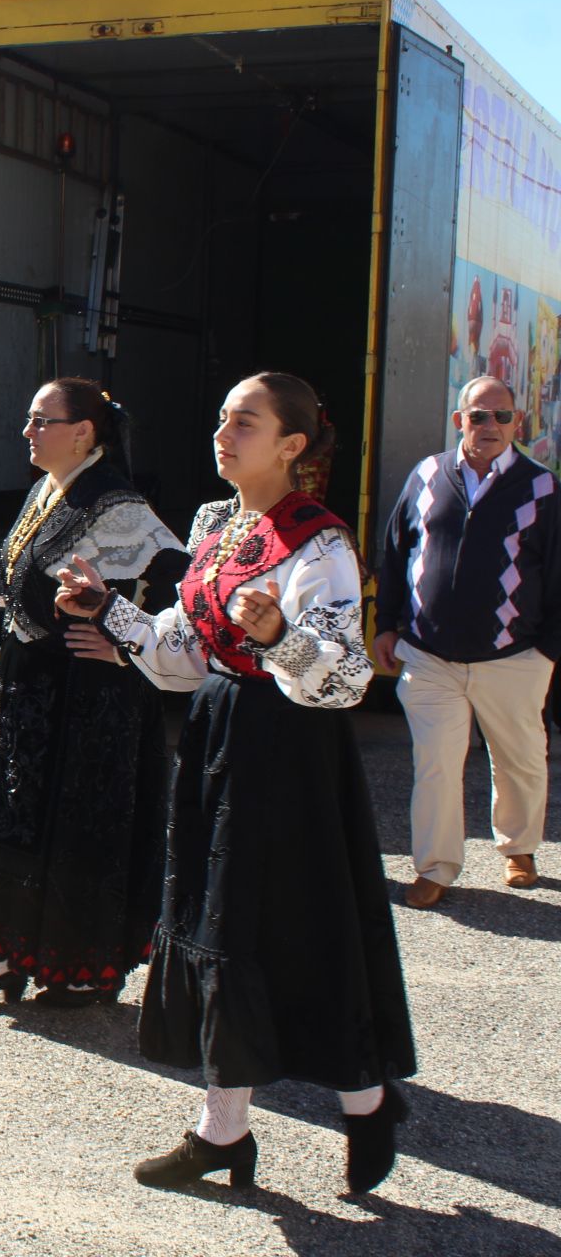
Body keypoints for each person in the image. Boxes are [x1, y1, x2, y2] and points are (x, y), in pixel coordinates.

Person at [56, 372, 415, 1195]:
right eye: (222, 418)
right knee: (219, 929)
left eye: (245, 422)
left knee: (284, 933)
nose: (224, 433)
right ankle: (231, 1130)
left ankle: (361, 1104)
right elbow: (181, 656)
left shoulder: (320, 542)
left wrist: (283, 635)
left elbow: (346, 680)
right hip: (221, 733)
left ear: (292, 444)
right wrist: (108, 609)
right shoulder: (217, 525)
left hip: (288, 754)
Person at [0, 379, 185, 1008]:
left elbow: (182, 587)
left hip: (92, 699)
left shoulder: (118, 505)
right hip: (31, 689)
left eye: (42, 421)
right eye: (29, 419)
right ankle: (0, 956)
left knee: (79, 828)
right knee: (11, 814)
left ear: (84, 432)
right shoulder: (48, 488)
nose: (28, 432)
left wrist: (129, 646)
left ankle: (82, 968)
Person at [372, 375, 560, 908]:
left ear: (516, 424)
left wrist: (546, 651)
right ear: (461, 421)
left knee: (520, 757)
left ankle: (519, 848)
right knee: (436, 762)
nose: (490, 426)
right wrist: (387, 623)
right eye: (479, 416)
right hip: (430, 657)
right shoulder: (427, 475)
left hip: (514, 656)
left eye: (502, 417)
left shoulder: (542, 488)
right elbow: (395, 551)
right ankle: (435, 867)